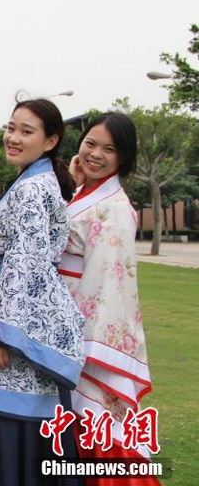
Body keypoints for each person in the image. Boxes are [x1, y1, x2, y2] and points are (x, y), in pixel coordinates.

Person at [0, 98, 85, 485]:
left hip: (9, 337)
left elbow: (26, 264)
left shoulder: (34, 190)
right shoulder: (31, 183)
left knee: (10, 433)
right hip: (8, 323)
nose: (13, 138)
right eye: (11, 127)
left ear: (51, 140)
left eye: (26, 131)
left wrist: (4, 336)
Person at [61, 113, 160, 485]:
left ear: (124, 158)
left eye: (109, 149)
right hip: (70, 323)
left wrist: (81, 348)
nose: (95, 154)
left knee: (101, 440)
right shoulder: (87, 195)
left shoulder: (113, 208)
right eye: (90, 143)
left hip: (88, 340)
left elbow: (107, 286)